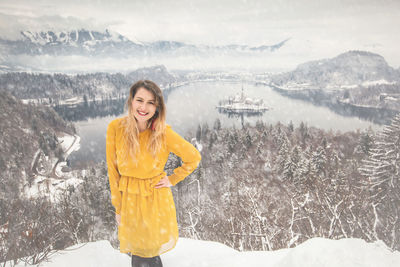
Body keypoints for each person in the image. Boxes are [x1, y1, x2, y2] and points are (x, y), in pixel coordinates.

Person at [106, 80, 201, 267]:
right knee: (141, 252)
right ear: (131, 101)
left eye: (151, 102)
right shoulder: (116, 128)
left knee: (146, 253)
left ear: (157, 107)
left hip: (154, 199)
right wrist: (118, 207)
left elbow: (193, 157)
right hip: (130, 200)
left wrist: (172, 179)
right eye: (139, 100)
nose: (143, 107)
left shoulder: (163, 132)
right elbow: (113, 171)